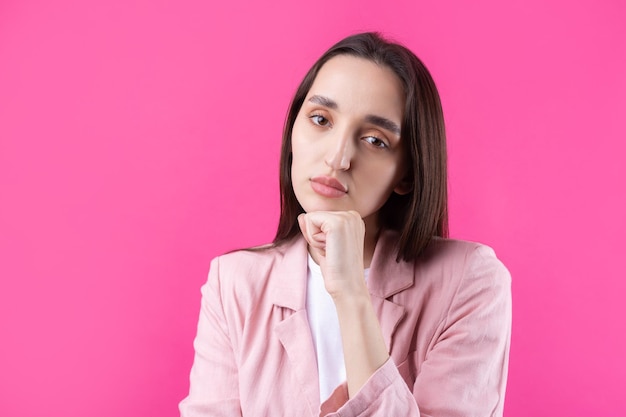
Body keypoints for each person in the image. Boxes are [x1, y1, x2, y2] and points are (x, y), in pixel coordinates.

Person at [179, 32, 511, 416]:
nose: (338, 157)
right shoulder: (234, 282)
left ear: (406, 173)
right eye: (320, 120)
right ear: (293, 133)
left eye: (375, 140)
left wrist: (351, 293)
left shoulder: (469, 281)